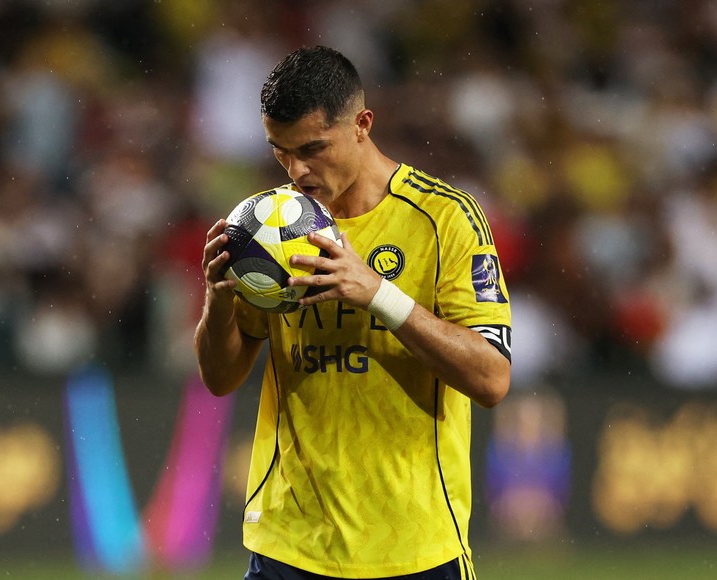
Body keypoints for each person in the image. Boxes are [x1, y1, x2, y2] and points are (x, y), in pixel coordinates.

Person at [194, 46, 512, 580]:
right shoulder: (266, 228)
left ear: (362, 124)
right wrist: (219, 299)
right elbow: (221, 379)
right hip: (289, 545)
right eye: (280, 151)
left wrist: (376, 293)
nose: (297, 170)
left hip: (415, 546)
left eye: (313, 148)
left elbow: (492, 378)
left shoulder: (444, 219)